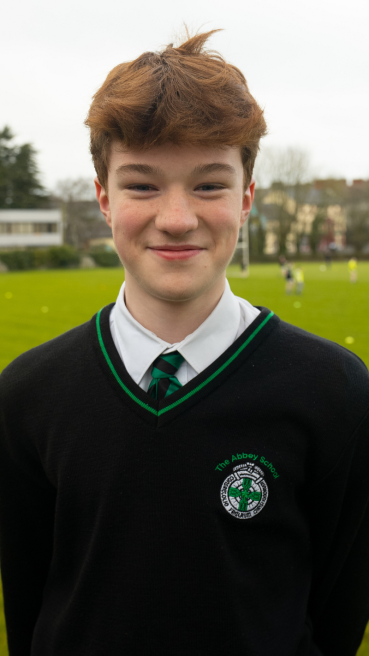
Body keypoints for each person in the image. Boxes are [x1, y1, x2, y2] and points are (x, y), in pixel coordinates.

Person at [1, 30, 369, 656]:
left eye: (208, 185)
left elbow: (338, 605)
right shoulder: (28, 393)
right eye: (142, 185)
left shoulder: (334, 390)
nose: (176, 218)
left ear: (247, 196)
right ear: (104, 198)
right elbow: (31, 595)